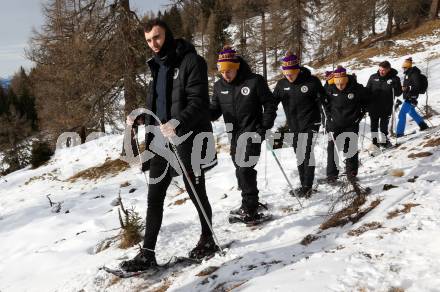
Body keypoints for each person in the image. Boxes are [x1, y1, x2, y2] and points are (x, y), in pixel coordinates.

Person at [121, 19, 218, 272]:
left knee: (196, 191)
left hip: (189, 137)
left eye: (157, 37)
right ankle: (148, 254)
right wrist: (141, 117)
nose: (153, 44)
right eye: (149, 40)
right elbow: (156, 106)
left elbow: (199, 103)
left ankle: (208, 239)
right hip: (160, 141)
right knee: (154, 197)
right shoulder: (156, 66)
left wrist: (177, 122)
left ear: (168, 34)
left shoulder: (191, 62)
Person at [209, 45, 277, 224]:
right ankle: (249, 202)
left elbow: (270, 104)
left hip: (253, 131)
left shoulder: (254, 81)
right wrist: (200, 111)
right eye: (222, 71)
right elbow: (214, 111)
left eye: (229, 70)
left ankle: (250, 210)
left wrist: (264, 126)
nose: (226, 75)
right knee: (241, 171)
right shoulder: (218, 86)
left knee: (245, 168)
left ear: (236, 67)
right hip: (234, 135)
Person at [273, 51, 325, 198]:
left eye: (292, 72)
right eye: (286, 73)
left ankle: (307, 187)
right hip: (294, 125)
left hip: (311, 122)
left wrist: (323, 104)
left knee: (306, 151)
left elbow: (324, 99)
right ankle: (304, 184)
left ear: (298, 69)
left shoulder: (311, 81)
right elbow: (272, 102)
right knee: (299, 153)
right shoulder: (281, 84)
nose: (289, 75)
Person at [323, 66, 369, 183]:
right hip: (334, 124)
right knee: (332, 148)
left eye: (342, 83)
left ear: (346, 80)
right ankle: (332, 176)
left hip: (351, 124)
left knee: (351, 148)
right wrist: (327, 119)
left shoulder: (355, 88)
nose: (340, 86)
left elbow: (367, 100)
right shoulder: (329, 88)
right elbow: (323, 104)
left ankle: (351, 173)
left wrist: (359, 116)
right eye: (338, 83)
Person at [366, 61, 402, 148]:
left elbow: (398, 93)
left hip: (386, 107)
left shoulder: (395, 79)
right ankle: (375, 142)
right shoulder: (373, 77)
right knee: (374, 126)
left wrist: (395, 86)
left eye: (384, 70)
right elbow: (367, 90)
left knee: (383, 126)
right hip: (373, 106)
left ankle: (384, 141)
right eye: (380, 69)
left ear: (388, 70)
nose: (381, 72)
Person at [396, 57, 429, 137]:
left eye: (404, 67)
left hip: (411, 97)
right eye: (403, 67)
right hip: (409, 96)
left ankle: (399, 133)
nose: (403, 69)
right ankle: (423, 125)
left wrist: (413, 97)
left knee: (402, 114)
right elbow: (409, 85)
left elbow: (416, 86)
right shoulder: (408, 74)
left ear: (408, 67)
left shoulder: (414, 74)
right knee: (411, 112)